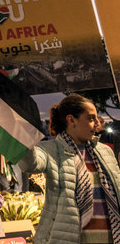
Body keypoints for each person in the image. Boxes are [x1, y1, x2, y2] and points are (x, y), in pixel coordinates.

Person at [18, 93, 120, 244]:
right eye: (91, 118)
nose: (97, 123)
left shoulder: (105, 151)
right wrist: (23, 136)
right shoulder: (50, 149)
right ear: (71, 120)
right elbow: (29, 164)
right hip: (69, 238)